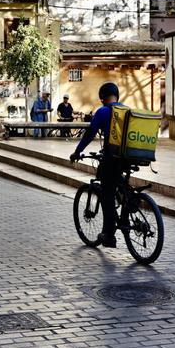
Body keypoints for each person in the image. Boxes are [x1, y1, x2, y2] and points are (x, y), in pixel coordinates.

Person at [69, 82, 123, 248]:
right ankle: (127, 210)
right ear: (117, 96)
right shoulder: (127, 110)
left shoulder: (104, 111)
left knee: (106, 194)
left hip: (111, 158)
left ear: (102, 98)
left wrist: (77, 152)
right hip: (128, 158)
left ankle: (109, 236)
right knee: (119, 187)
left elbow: (89, 134)